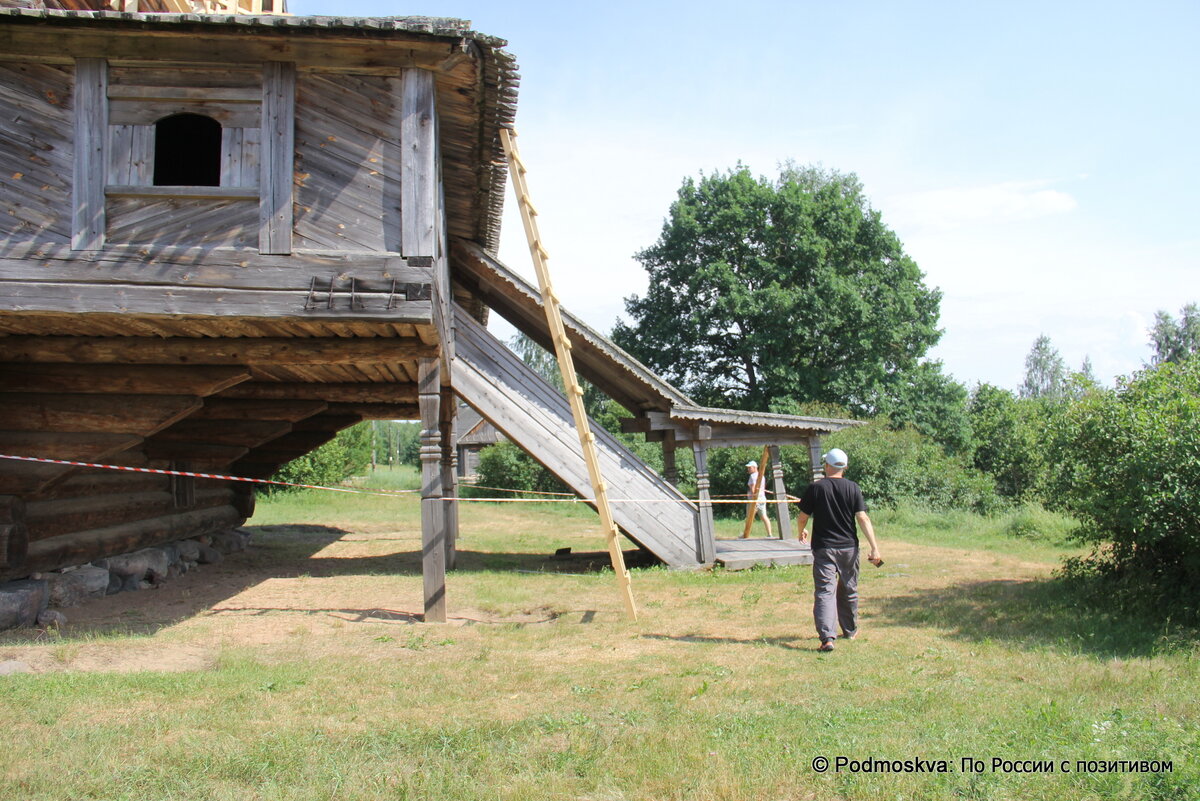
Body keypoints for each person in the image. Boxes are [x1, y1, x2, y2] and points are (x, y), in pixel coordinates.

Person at [795, 448, 881, 652]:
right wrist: (875, 547)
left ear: (826, 466)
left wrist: (801, 532)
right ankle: (850, 631)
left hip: (824, 548)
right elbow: (863, 518)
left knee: (825, 591)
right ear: (845, 467)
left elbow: (802, 517)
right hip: (849, 548)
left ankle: (827, 638)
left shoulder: (815, 488)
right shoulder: (853, 488)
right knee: (849, 588)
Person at [744, 460, 773, 538]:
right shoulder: (761, 476)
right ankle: (769, 534)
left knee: (749, 518)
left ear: (754, 468)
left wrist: (754, 497)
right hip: (762, 499)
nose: (748, 469)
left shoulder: (752, 476)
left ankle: (745, 535)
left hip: (754, 500)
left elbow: (753, 488)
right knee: (764, 516)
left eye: (750, 468)